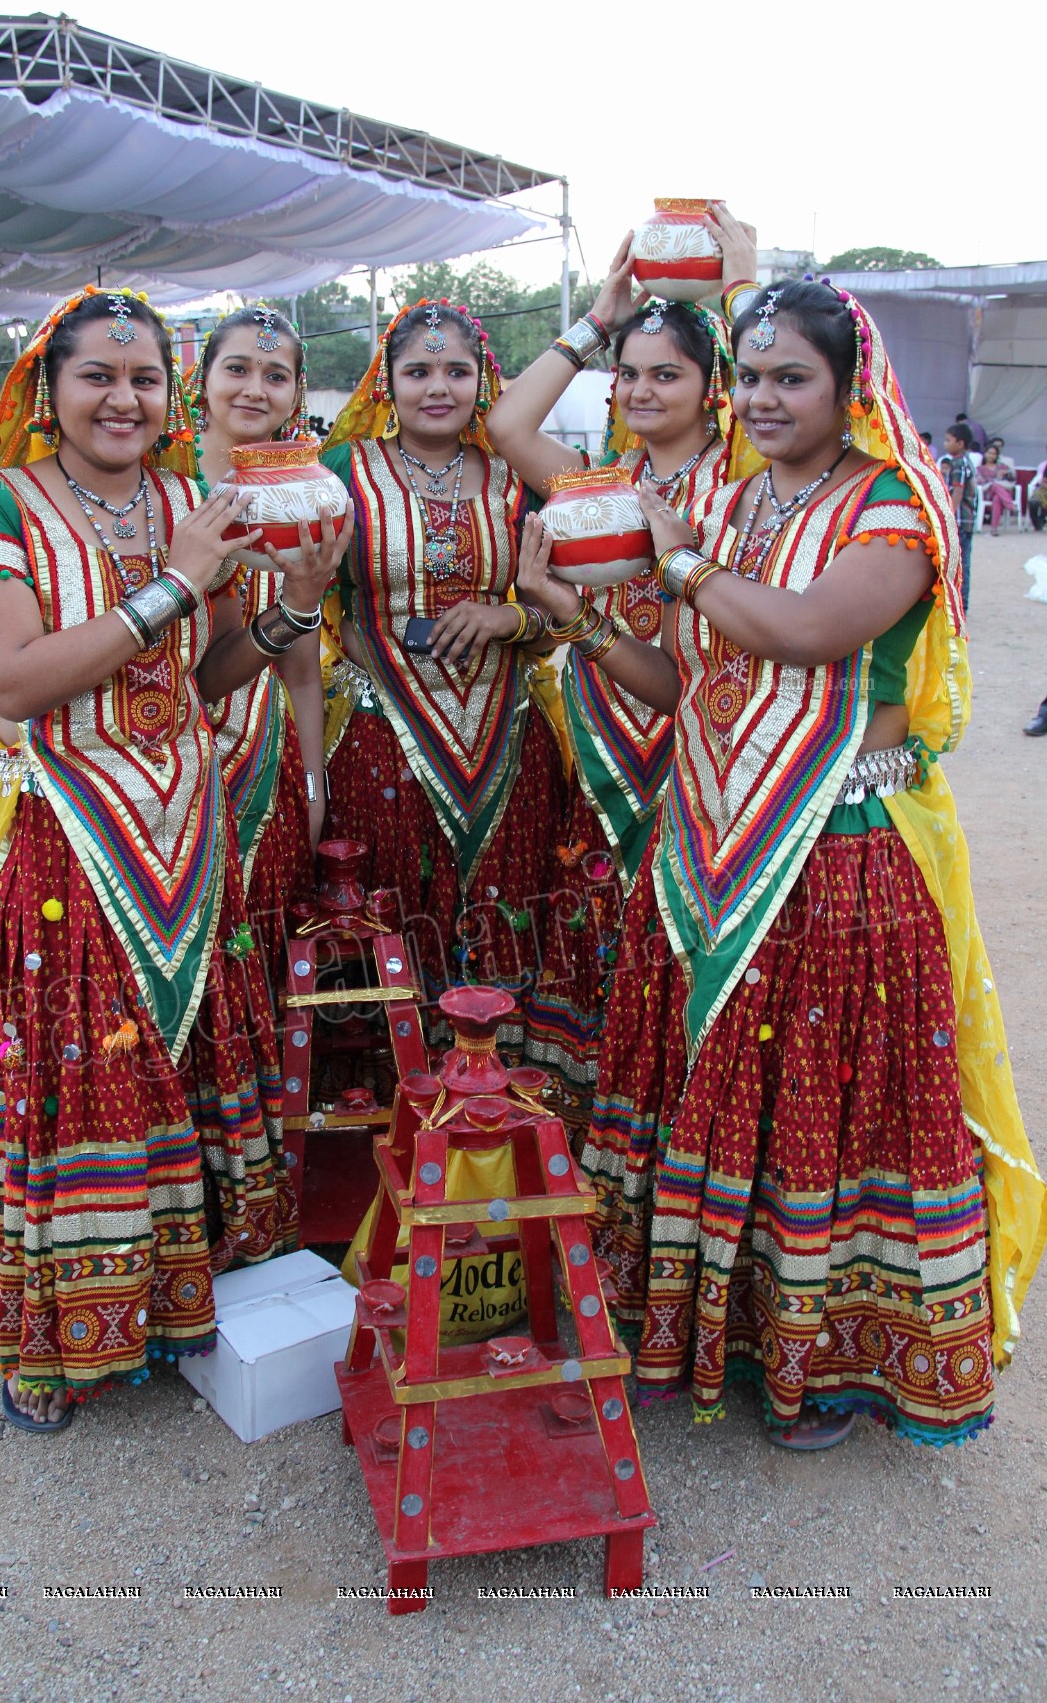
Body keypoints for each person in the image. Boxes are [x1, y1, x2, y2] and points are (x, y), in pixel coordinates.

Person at [566, 277, 1043, 1449]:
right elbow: (695, 689)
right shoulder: (730, 508)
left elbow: (810, 632)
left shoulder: (894, 507)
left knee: (830, 1103)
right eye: (759, 376)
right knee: (716, 1083)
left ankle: (826, 1360)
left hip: (838, 850)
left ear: (848, 387)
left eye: (797, 378)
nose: (771, 398)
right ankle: (707, 1329)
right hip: (712, 840)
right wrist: (580, 624)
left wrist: (677, 569)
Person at [0, 286, 351, 1430]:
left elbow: (212, 676)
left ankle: (177, 1298)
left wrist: (291, 613)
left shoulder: (187, 498)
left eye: (143, 379)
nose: (123, 399)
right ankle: (57, 1334)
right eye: (97, 377)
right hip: (72, 838)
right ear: (48, 389)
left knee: (182, 1055)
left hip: (187, 824)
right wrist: (172, 582)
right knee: (83, 1071)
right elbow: (15, 683)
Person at [485, 210, 752, 1133]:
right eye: (627, 374)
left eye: (666, 373)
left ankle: (671, 1139)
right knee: (597, 951)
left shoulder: (745, 487)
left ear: (715, 385)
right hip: (601, 754)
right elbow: (508, 422)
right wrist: (598, 318)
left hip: (698, 765)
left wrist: (736, 289)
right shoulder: (599, 483)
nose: (641, 390)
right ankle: (602, 1143)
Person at [319, 299, 566, 1056]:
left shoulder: (517, 479)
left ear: (482, 382)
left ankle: (496, 1075)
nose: (438, 386)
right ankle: (390, 1076)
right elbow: (307, 601)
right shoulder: (340, 471)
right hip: (380, 730)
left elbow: (571, 612)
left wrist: (509, 619)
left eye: (457, 370)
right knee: (388, 902)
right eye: (417, 370)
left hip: (506, 732)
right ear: (384, 384)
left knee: (510, 897)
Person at [192, 306, 325, 989]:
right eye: (237, 368)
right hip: (156, 742)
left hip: (257, 750)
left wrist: (313, 784)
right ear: (202, 378)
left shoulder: (307, 498)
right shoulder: (158, 487)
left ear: (295, 394)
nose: (255, 389)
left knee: (248, 949)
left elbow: (302, 666)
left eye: (276, 375)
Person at [942, 423, 977, 611]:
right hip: (965, 521)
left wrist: (949, 516)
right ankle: (960, 604)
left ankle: (961, 605)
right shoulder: (965, 461)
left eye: (948, 440)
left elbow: (958, 492)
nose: (945, 444)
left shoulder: (958, 463)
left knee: (960, 564)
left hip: (960, 520)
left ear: (960, 443)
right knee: (962, 563)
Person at [976, 442, 1018, 536]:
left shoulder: (1002, 466)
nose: (991, 455)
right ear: (985, 453)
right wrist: (996, 479)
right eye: (989, 453)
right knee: (995, 485)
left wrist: (1006, 474)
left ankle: (994, 529)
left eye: (994, 454)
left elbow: (1013, 478)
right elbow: (980, 482)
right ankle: (1011, 507)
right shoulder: (979, 469)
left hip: (1002, 494)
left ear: (997, 456)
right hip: (987, 493)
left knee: (997, 498)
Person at [1028, 447, 1047, 533]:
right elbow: (1044, 481)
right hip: (1044, 489)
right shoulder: (1045, 465)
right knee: (1033, 501)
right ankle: (1037, 523)